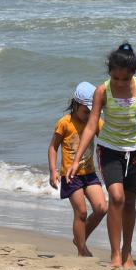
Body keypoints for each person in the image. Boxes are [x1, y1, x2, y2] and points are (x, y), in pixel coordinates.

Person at [69, 42, 136, 268]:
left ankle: (127, 251)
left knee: (129, 203)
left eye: (124, 79)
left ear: (132, 75)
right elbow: (90, 127)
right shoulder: (102, 91)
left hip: (134, 150)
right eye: (115, 78)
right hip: (109, 149)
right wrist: (77, 159)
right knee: (116, 197)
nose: (119, 83)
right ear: (110, 75)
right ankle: (115, 254)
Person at [47, 82, 108, 257]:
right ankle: (82, 249)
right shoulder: (64, 123)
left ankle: (79, 237)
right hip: (70, 176)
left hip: (89, 174)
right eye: (86, 111)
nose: (89, 115)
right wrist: (53, 170)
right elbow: (53, 147)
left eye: (92, 111)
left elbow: (106, 140)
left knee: (101, 208)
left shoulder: (95, 122)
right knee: (81, 212)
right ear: (75, 104)